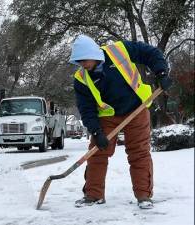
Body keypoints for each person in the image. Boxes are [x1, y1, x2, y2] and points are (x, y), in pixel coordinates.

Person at [68, 35, 172, 209]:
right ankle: (93, 195)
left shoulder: (120, 50)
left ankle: (144, 196)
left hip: (136, 109)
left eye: (84, 60)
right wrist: (96, 132)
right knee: (97, 153)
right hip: (107, 117)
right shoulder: (81, 79)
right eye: (79, 62)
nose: (82, 65)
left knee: (139, 153)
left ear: (93, 54)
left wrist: (161, 72)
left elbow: (150, 53)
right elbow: (86, 109)